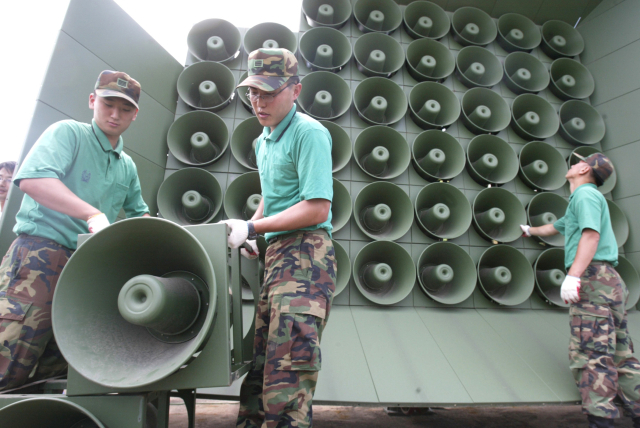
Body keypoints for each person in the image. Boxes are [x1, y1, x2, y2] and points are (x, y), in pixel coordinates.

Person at [0, 70, 150, 391]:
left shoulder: (127, 165)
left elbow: (142, 218)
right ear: (92, 100)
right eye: (108, 104)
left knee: (57, 364)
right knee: (10, 357)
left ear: (134, 115)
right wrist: (91, 213)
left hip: (83, 269)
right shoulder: (68, 134)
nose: (115, 115)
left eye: (125, 110)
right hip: (38, 258)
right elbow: (33, 179)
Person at [221, 48, 336, 428]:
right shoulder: (263, 141)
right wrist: (253, 228)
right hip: (276, 256)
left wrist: (255, 228)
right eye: (253, 92)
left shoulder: (309, 133)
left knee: (289, 364)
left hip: (306, 254)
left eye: (269, 92)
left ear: (295, 90)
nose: (258, 101)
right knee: (261, 363)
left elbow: (317, 207)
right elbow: (273, 195)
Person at [521, 153, 640, 428]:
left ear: (585, 168)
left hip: (592, 279)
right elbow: (556, 227)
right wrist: (530, 230)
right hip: (610, 281)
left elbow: (591, 235)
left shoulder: (585, 195)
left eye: (576, 162)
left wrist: (573, 277)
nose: (572, 165)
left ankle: (601, 420)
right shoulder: (585, 199)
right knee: (621, 352)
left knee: (591, 352)